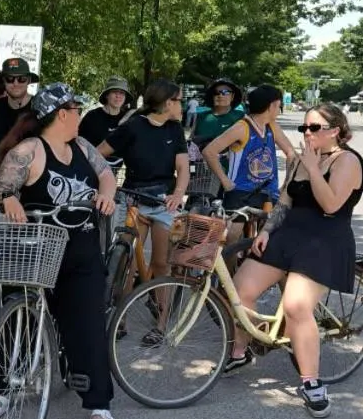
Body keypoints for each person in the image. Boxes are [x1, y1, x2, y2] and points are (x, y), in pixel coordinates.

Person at [0, 83, 117, 419]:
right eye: (76, 109)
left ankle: (99, 404)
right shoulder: (31, 149)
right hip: (35, 249)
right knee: (17, 318)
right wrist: (9, 198)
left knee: (88, 324)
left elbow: (107, 174)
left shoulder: (83, 147)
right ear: (63, 113)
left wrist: (106, 195)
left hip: (81, 248)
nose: (79, 115)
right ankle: (4, 387)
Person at [225, 103, 363, 417]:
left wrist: (314, 168)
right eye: (304, 128)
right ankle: (245, 348)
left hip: (324, 240)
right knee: (239, 290)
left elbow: (330, 205)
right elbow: (285, 200)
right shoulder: (299, 161)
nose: (306, 133)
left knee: (296, 306)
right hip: (288, 235)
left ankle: (311, 382)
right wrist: (267, 230)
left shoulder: (348, 161)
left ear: (335, 130)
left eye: (314, 128)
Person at [96, 77, 190, 280]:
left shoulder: (175, 129)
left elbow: (183, 167)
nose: (183, 105)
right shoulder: (133, 126)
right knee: (125, 262)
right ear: (168, 103)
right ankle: (121, 309)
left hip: (164, 202)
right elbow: (99, 153)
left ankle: (161, 309)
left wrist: (178, 194)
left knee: (161, 263)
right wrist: (102, 179)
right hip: (133, 201)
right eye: (179, 100)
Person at [201, 84, 296, 212]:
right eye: (279, 106)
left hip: (268, 191)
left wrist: (286, 184)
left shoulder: (272, 126)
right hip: (241, 191)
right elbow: (209, 151)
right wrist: (225, 181)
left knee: (269, 229)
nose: (280, 110)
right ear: (271, 105)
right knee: (234, 230)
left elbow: (291, 153)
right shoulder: (242, 127)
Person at [78, 77, 133, 170]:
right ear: (107, 95)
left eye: (122, 93)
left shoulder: (129, 118)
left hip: (115, 171)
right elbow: (79, 143)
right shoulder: (92, 117)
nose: (118, 96)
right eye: (115, 92)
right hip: (90, 168)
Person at [192, 78, 245, 145]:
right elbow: (191, 140)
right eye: (216, 93)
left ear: (233, 96)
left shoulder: (240, 116)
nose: (220, 95)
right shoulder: (201, 116)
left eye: (226, 92)